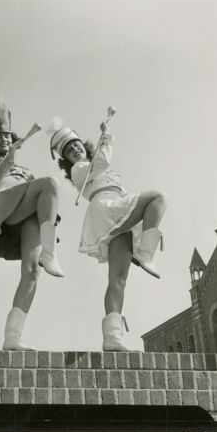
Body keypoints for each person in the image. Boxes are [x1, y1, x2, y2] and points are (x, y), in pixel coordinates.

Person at [49, 118, 168, 351]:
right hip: (105, 208)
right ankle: (146, 254)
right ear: (67, 160)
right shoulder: (79, 169)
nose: (75, 149)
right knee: (159, 197)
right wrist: (107, 135)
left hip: (117, 207)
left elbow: (103, 166)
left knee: (118, 278)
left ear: (84, 145)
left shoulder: (93, 165)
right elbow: (102, 162)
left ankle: (112, 337)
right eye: (69, 150)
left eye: (76, 144)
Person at [0, 97, 63, 351]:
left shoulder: (24, 169)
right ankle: (50, 250)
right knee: (50, 183)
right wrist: (8, 160)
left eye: (7, 136)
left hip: (27, 212)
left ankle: (12, 337)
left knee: (32, 271)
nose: (3, 140)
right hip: (6, 205)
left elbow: (43, 198)